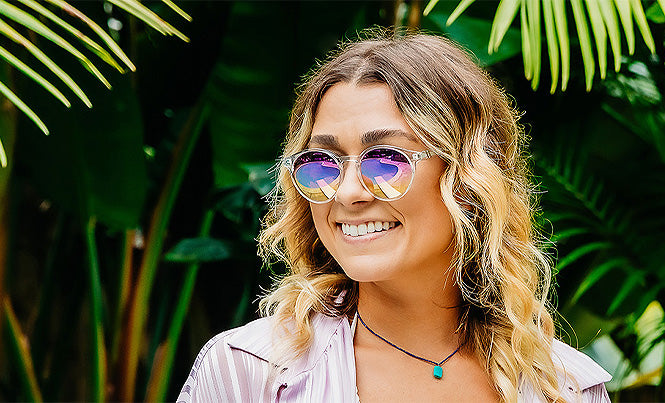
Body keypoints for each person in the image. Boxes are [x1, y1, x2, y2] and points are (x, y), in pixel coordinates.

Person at [178, 30, 611, 403]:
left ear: (468, 177)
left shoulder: (563, 388)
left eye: (386, 160)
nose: (347, 193)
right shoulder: (249, 372)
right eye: (322, 162)